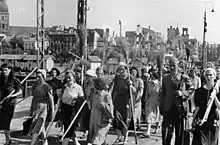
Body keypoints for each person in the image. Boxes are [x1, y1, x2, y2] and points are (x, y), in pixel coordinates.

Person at [160, 57, 193, 145]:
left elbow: (192, 90)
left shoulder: (184, 77)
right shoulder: (165, 78)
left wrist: (182, 93)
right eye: (170, 66)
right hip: (168, 108)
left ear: (178, 66)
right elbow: (162, 93)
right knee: (167, 132)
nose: (171, 68)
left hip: (179, 108)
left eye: (173, 65)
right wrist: (161, 107)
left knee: (179, 133)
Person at [192, 67, 220, 145]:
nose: (209, 77)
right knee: (201, 142)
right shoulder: (199, 91)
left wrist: (214, 96)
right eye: (207, 75)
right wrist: (193, 119)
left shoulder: (218, 91)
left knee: (212, 142)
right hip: (201, 120)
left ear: (214, 76)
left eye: (211, 75)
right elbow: (197, 107)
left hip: (213, 121)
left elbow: (219, 106)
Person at [112, 64, 135, 144]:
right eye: (119, 69)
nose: (121, 71)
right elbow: (115, 90)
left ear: (126, 69)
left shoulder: (130, 77)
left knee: (125, 120)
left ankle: (125, 137)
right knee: (117, 119)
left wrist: (131, 85)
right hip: (118, 101)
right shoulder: (117, 78)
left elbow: (134, 91)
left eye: (122, 69)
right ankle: (119, 137)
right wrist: (112, 101)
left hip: (126, 101)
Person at [30, 69, 55, 145]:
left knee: (38, 125)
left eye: (39, 77)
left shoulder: (47, 87)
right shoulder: (34, 86)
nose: (37, 79)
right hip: (35, 107)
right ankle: (45, 142)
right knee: (40, 126)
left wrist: (52, 111)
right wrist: (31, 109)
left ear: (43, 77)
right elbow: (33, 97)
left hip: (43, 107)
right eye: (36, 77)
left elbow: (51, 99)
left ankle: (32, 143)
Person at [0, 63, 22, 145]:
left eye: (5, 70)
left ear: (10, 70)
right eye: (2, 70)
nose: (4, 71)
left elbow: (20, 91)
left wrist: (12, 95)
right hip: (2, 102)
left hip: (10, 104)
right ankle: (8, 139)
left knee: (6, 122)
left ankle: (7, 140)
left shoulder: (14, 80)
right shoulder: (1, 79)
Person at [60, 70, 84, 145]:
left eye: (69, 77)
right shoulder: (64, 87)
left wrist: (76, 101)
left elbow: (82, 100)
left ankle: (65, 141)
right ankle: (75, 141)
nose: (67, 79)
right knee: (67, 125)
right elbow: (61, 98)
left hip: (74, 109)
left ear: (73, 78)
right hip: (65, 108)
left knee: (71, 125)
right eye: (66, 78)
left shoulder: (78, 87)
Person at [88, 77, 114, 145]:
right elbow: (90, 105)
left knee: (97, 140)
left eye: (94, 84)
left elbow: (110, 110)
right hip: (94, 120)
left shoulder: (106, 95)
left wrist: (103, 104)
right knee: (97, 139)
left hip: (103, 121)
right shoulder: (93, 94)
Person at [144, 71, 161, 137]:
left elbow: (161, 93)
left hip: (157, 101)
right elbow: (147, 93)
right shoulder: (149, 84)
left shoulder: (159, 84)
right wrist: (145, 100)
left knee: (158, 115)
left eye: (152, 75)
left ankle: (157, 128)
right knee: (149, 115)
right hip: (150, 100)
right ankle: (148, 131)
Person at [82, 69, 97, 141]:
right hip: (87, 103)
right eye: (87, 76)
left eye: (89, 76)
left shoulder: (95, 84)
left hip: (94, 103)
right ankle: (87, 133)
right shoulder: (84, 83)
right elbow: (85, 92)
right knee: (87, 118)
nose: (87, 78)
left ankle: (93, 136)